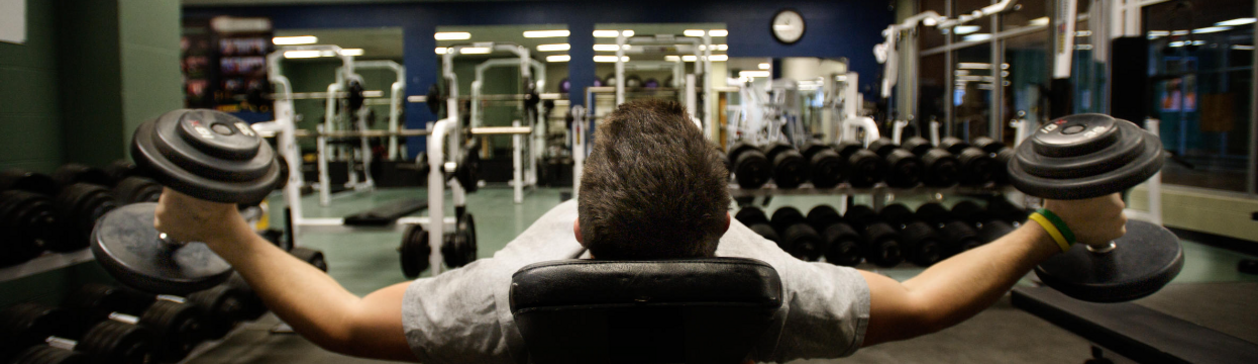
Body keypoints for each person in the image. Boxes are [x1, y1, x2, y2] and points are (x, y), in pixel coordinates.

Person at [154, 99, 1127, 363]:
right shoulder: (765, 275)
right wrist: (1055, 221)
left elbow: (344, 320)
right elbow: (921, 300)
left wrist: (224, 228)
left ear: (578, 214)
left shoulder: (510, 285)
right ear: (722, 219)